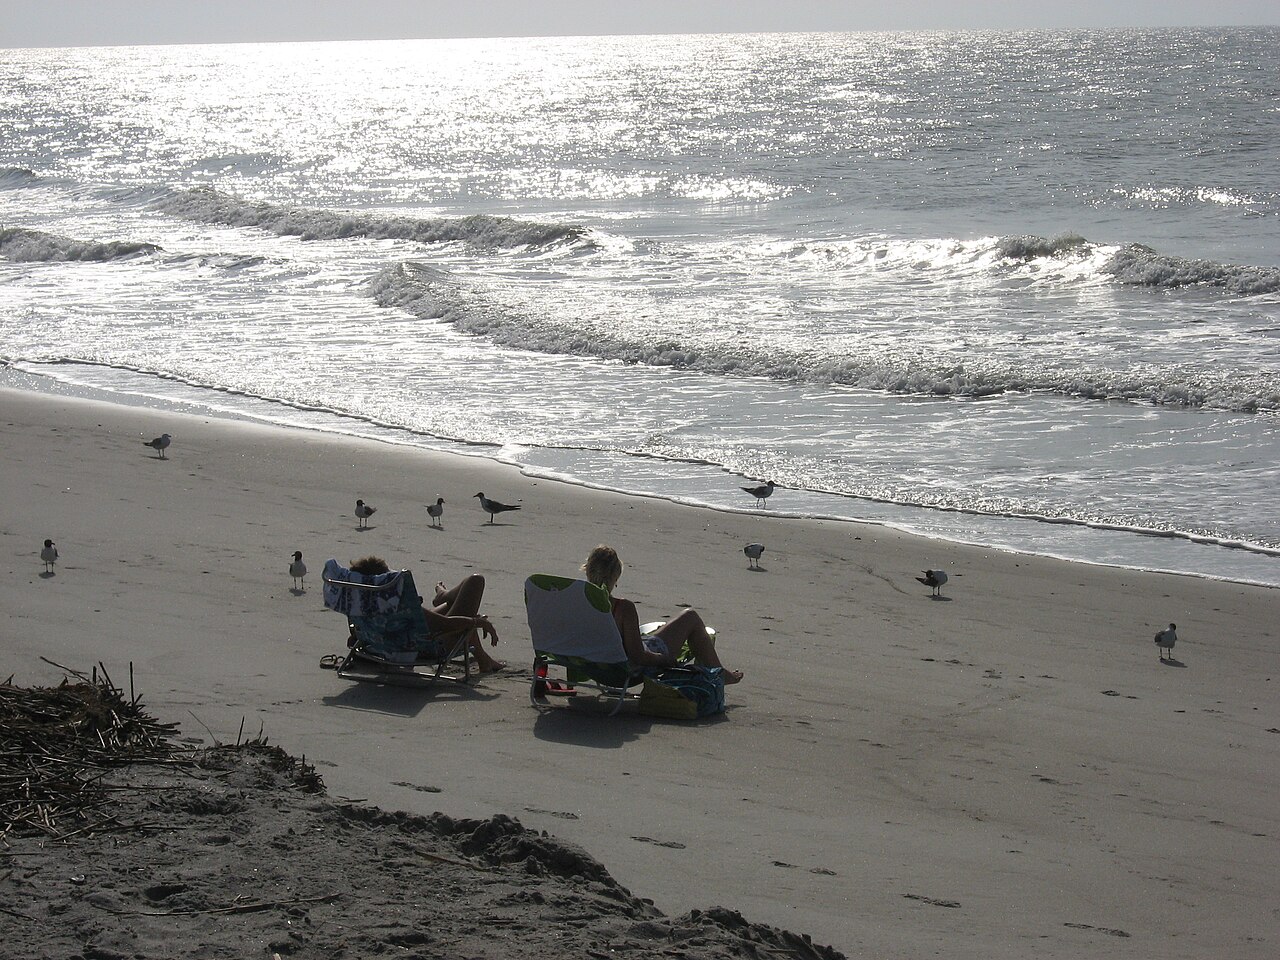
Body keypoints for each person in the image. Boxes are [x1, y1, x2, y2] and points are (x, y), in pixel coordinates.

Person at [581, 545, 742, 683]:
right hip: (624, 670)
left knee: (654, 633)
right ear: (615, 575)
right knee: (690, 616)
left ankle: (714, 672)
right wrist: (663, 659)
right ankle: (718, 673)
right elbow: (638, 657)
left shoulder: (576, 603)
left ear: (587, 570)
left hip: (593, 665)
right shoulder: (623, 608)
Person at [349, 556, 505, 673]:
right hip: (431, 645)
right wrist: (477, 623)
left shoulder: (360, 604)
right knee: (475, 581)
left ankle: (445, 597)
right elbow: (446, 624)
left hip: (391, 643)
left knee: (460, 611)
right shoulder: (397, 604)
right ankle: (444, 597)